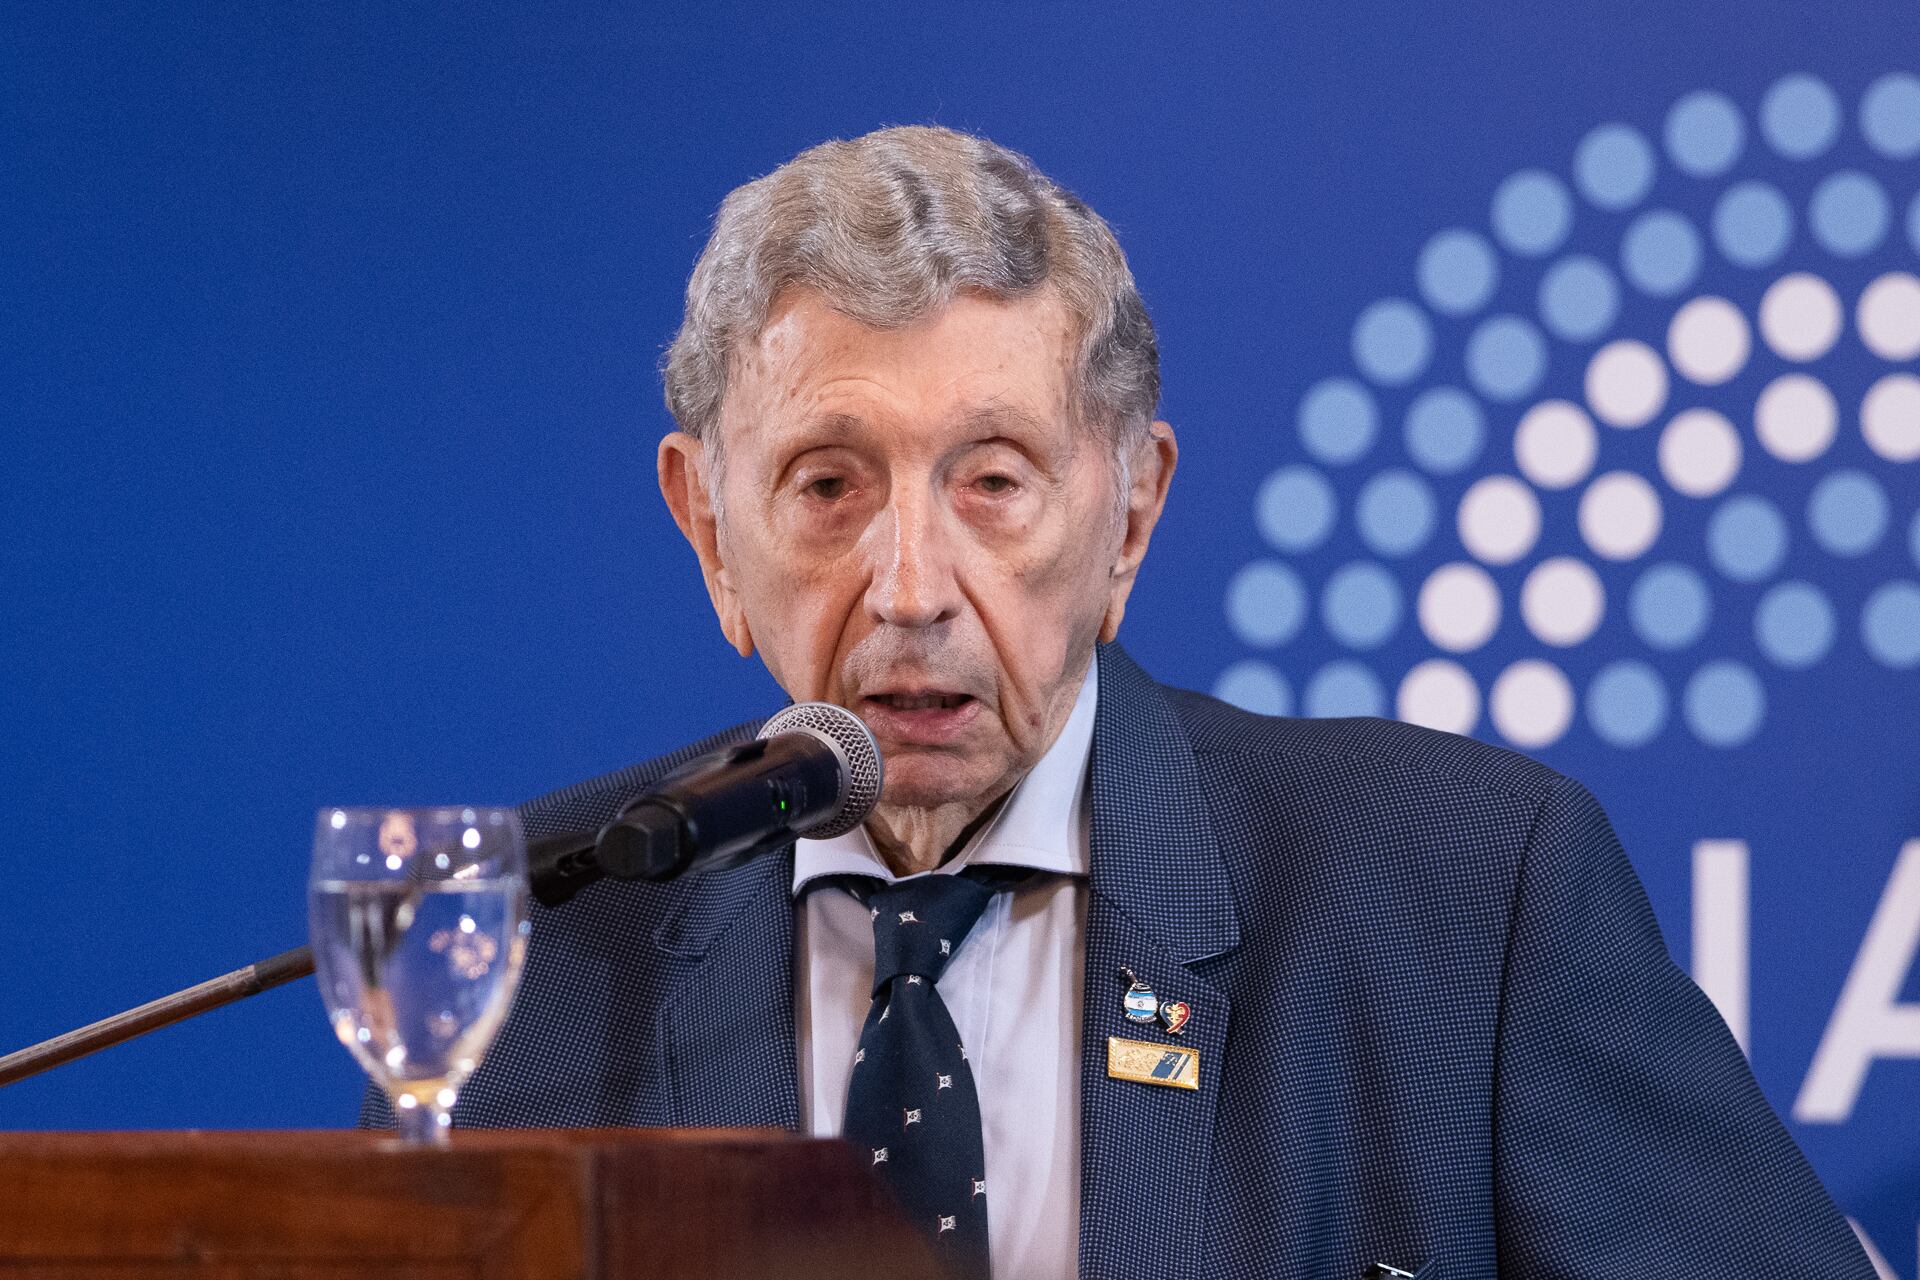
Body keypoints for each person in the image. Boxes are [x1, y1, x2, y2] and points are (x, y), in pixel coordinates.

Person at [364, 125, 1874, 1280]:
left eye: (995, 483)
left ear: (1130, 517)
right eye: (828, 486)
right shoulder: (537, 934)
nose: (910, 585)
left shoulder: (1467, 891)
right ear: (710, 534)